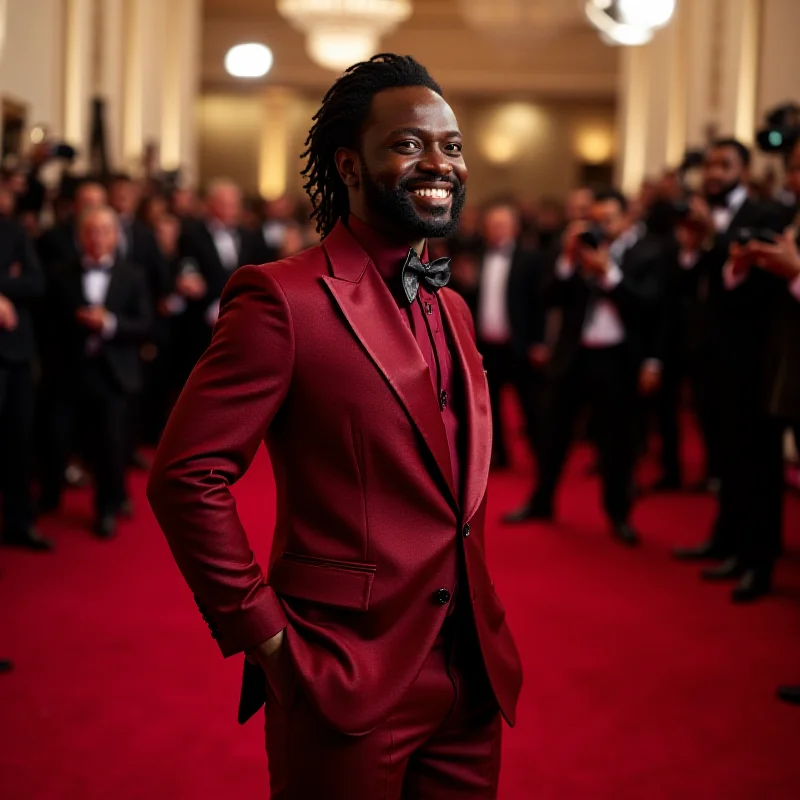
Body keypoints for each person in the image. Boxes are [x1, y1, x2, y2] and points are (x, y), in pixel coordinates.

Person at [148, 54, 522, 799]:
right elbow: (187, 475)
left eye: (450, 145)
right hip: (342, 675)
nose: (439, 162)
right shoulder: (281, 300)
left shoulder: (448, 306)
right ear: (349, 166)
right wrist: (267, 638)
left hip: (471, 677)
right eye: (409, 144)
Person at [504, 189, 665, 546]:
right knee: (552, 434)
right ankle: (541, 500)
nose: (601, 227)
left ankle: (618, 514)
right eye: (596, 220)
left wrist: (608, 274)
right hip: (574, 356)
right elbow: (549, 297)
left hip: (619, 360)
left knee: (616, 444)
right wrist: (567, 259)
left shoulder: (649, 252)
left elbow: (651, 306)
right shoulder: (579, 251)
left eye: (608, 219)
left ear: (627, 219)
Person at [43, 207, 152, 538]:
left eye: (104, 231)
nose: (97, 238)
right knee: (56, 437)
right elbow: (47, 324)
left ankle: (106, 507)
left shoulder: (133, 275)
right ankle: (49, 496)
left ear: (116, 236)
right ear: (80, 237)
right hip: (69, 370)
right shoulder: (60, 273)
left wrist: (110, 323)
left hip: (113, 372)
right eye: (90, 231)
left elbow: (146, 324)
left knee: (110, 444)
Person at [471, 201, 546, 468]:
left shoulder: (530, 258)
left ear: (514, 228)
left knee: (530, 404)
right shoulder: (476, 257)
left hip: (520, 345)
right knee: (488, 407)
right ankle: (498, 456)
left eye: (501, 224)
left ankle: (543, 457)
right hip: (485, 346)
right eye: (491, 225)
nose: (495, 229)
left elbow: (540, 304)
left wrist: (539, 341)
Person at [0, 195, 53, 551]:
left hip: (16, 353)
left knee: (19, 440)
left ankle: (19, 521)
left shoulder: (12, 230)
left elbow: (37, 283)